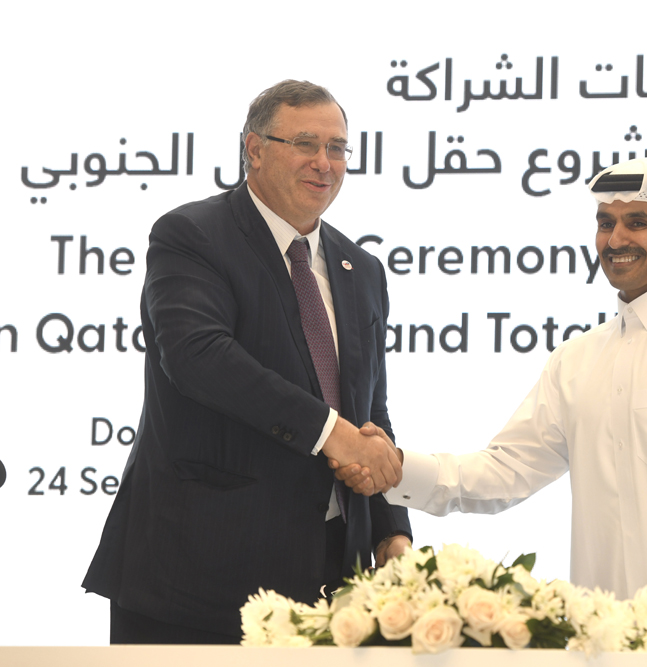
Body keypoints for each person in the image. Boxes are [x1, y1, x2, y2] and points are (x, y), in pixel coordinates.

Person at [333, 158, 647, 654]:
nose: (615, 240)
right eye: (605, 223)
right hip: (610, 644)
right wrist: (396, 471)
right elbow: (507, 470)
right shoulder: (577, 359)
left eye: (637, 222)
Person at [82, 80, 411, 645]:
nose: (324, 163)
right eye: (305, 143)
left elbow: (367, 409)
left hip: (334, 577)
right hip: (199, 575)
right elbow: (197, 356)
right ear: (253, 149)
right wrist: (333, 435)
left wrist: (390, 530)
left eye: (337, 148)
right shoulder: (192, 235)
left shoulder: (363, 268)